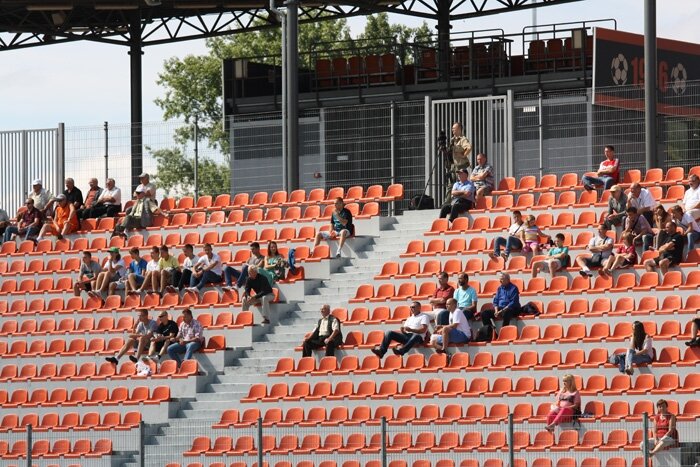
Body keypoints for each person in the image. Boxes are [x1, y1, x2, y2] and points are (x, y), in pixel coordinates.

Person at [445, 122, 472, 191]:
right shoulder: (452, 140)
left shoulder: (463, 139)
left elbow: (469, 148)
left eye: (454, 128)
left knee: (460, 184)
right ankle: (450, 198)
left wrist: (463, 155)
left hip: (460, 166)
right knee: (450, 185)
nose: (452, 130)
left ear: (459, 129)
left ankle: (459, 197)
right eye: (452, 128)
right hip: (453, 165)